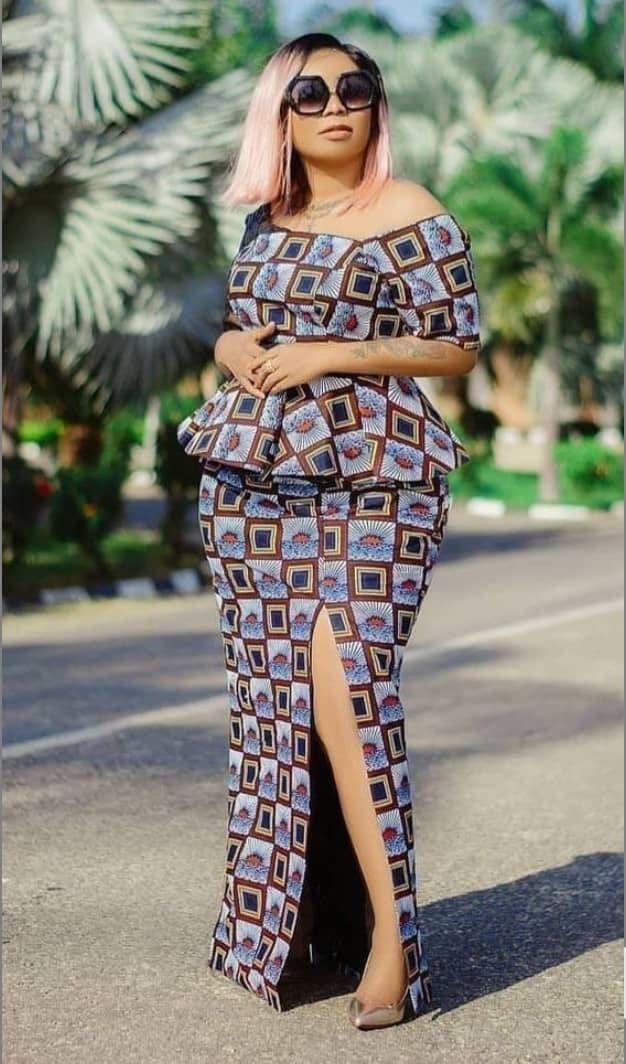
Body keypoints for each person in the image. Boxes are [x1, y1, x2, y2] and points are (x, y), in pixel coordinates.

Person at [177, 31, 481, 1030]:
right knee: (276, 697)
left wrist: (331, 354)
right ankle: (296, 916)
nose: (336, 105)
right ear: (280, 113)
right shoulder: (267, 219)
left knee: (349, 687)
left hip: (375, 477)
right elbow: (242, 323)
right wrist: (233, 345)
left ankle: (394, 939)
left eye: (355, 87)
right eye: (309, 93)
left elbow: (456, 345)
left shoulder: (409, 211)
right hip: (253, 485)